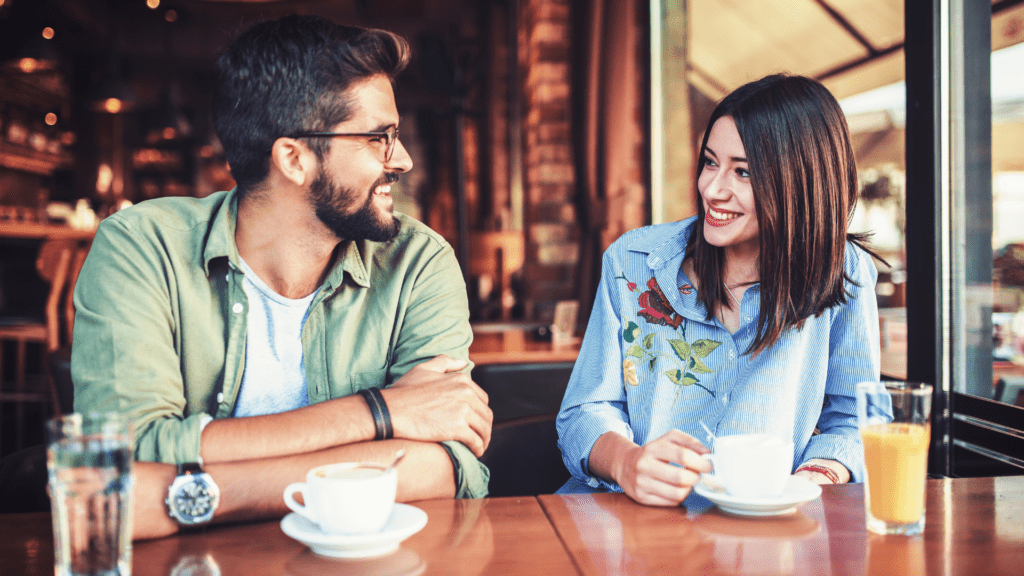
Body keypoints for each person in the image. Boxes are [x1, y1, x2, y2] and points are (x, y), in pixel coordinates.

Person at [71, 14, 492, 536]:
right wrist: (380, 414)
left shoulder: (417, 262)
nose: (400, 159)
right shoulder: (140, 249)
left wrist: (197, 494)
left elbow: (449, 463)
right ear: (293, 158)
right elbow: (119, 457)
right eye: (377, 138)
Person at [556, 73, 886, 506]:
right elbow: (582, 413)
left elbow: (860, 421)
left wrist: (810, 479)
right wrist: (626, 463)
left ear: (800, 184)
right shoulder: (632, 262)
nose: (712, 189)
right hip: (628, 525)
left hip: (767, 540)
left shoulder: (843, 272)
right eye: (711, 162)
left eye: (743, 172)